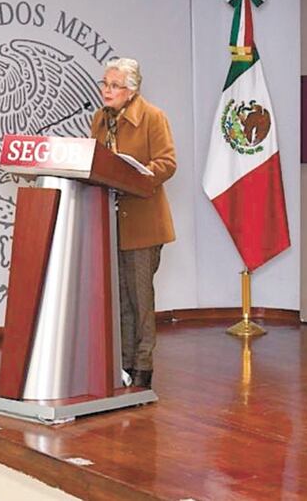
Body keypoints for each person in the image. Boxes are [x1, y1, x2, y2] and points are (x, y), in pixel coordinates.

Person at [90, 57, 176, 389]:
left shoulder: (153, 117)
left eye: (115, 85)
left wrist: (137, 174)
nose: (107, 90)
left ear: (131, 90)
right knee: (120, 298)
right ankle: (123, 362)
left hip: (143, 221)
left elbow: (167, 163)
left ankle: (143, 366)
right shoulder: (100, 119)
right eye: (105, 83)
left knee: (140, 299)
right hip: (109, 220)